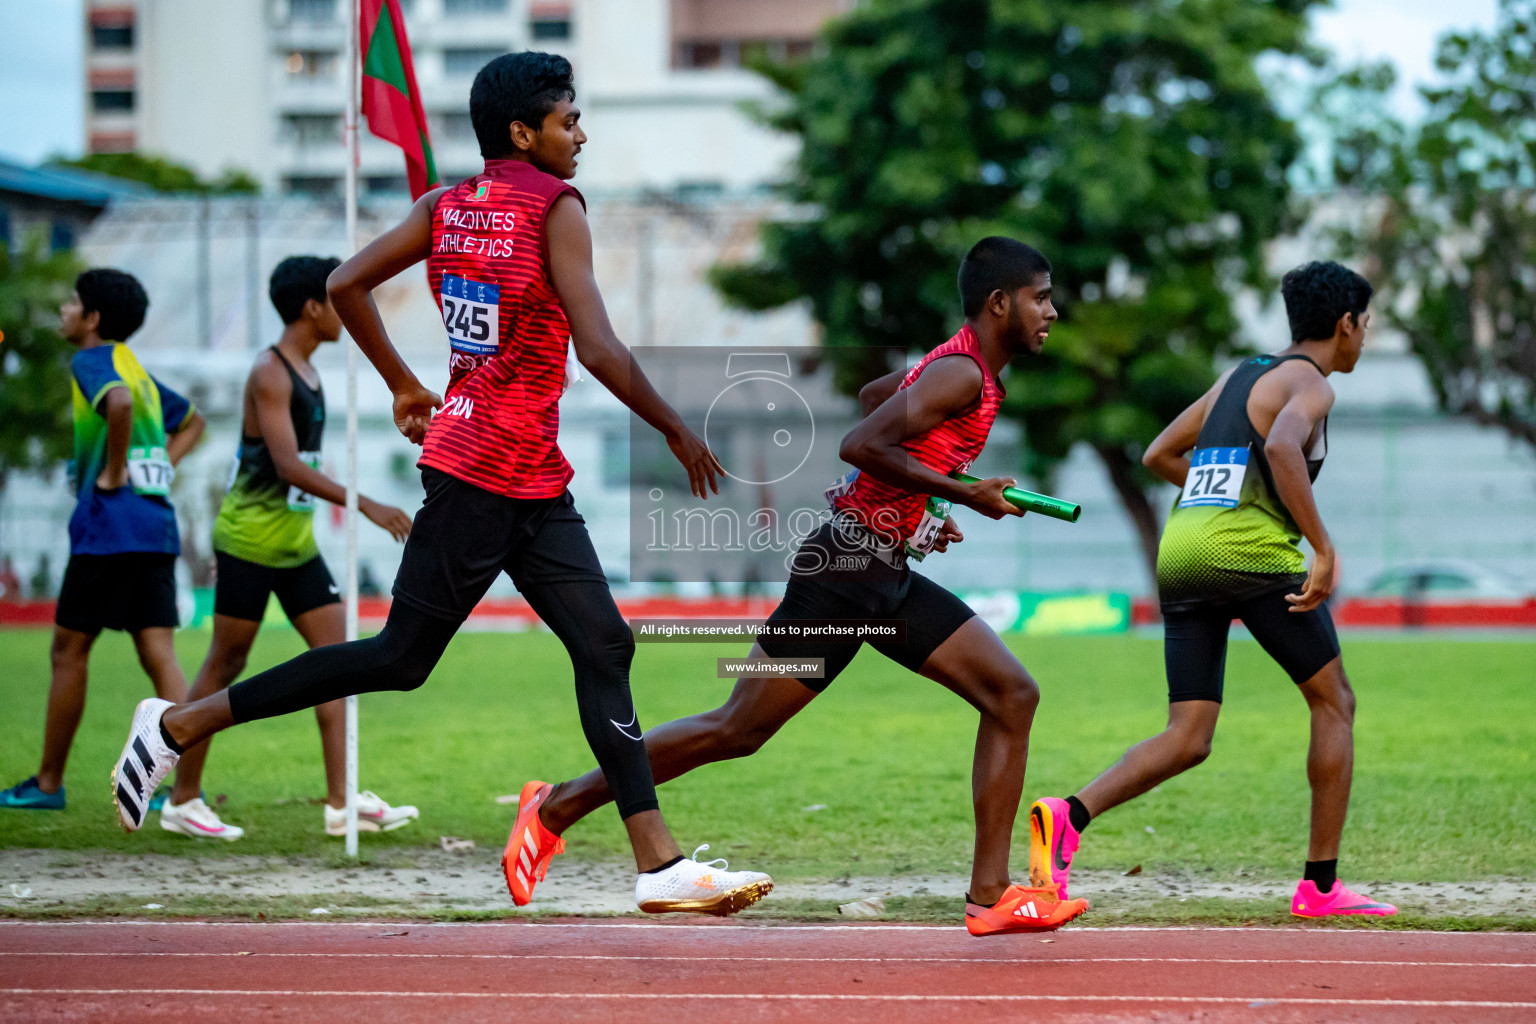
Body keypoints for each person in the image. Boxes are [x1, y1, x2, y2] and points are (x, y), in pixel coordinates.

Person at [111, 51, 772, 916]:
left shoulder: (445, 206)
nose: (581, 135)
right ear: (521, 132)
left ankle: (660, 868)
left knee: (605, 646)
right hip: (483, 474)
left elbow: (347, 284)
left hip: (525, 473)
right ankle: (177, 724)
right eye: (568, 120)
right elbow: (599, 346)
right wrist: (680, 429)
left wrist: (402, 384)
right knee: (399, 659)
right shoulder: (555, 204)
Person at [511, 237, 1090, 937]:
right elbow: (862, 443)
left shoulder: (959, 367)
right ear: (1000, 304)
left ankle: (991, 894)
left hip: (882, 573)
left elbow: (883, 397)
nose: (1052, 311)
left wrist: (924, 509)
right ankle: (554, 808)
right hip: (846, 573)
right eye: (1041, 296)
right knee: (737, 728)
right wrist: (961, 494)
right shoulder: (962, 375)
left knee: (1011, 693)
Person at [1028, 260, 1397, 919]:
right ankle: (1319, 888)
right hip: (1249, 557)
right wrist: (1322, 545)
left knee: (1189, 735)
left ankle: (1068, 814)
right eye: (1364, 325)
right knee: (1334, 702)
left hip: (1183, 554)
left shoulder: (1239, 375)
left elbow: (1160, 454)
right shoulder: (1311, 385)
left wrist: (1217, 510)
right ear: (1344, 324)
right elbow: (1285, 448)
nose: (1364, 339)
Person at [159, 256, 417, 841]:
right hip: (252, 541)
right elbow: (286, 465)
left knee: (340, 662)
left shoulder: (310, 370)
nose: (345, 315)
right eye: (336, 302)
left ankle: (341, 802)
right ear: (312, 307)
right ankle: (182, 798)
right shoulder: (269, 372)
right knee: (226, 662)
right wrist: (366, 503)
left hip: (296, 546)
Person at [2, 269, 204, 810]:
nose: (64, 310)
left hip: (107, 531)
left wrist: (113, 473)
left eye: (71, 302)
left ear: (91, 320)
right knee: (160, 654)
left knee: (69, 652)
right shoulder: (134, 368)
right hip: (156, 528)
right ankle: (183, 792)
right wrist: (160, 461)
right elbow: (193, 421)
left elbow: (114, 407)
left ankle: (47, 785)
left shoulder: (91, 361)